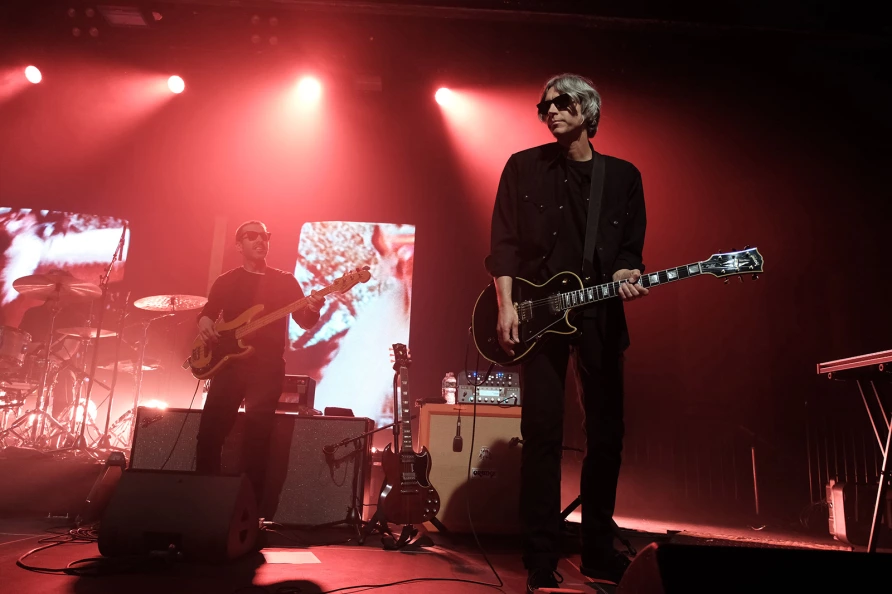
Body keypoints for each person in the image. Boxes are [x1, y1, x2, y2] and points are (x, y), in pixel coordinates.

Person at [485, 74, 648, 591]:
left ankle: (598, 551)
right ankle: (539, 558)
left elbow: (629, 251)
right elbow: (504, 242)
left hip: (599, 313)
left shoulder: (622, 177)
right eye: (544, 105)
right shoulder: (523, 166)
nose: (550, 110)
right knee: (542, 437)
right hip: (540, 315)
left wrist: (626, 272)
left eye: (562, 103)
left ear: (589, 111)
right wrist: (506, 305)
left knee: (607, 436)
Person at [195, 220, 325, 507]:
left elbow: (304, 321)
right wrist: (203, 320)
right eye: (251, 236)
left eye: (264, 235)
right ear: (239, 245)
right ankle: (203, 502)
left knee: (257, 438)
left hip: (266, 366)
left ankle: (249, 510)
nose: (260, 240)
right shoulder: (226, 281)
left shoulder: (284, 281)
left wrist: (313, 307)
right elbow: (208, 312)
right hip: (229, 365)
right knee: (209, 433)